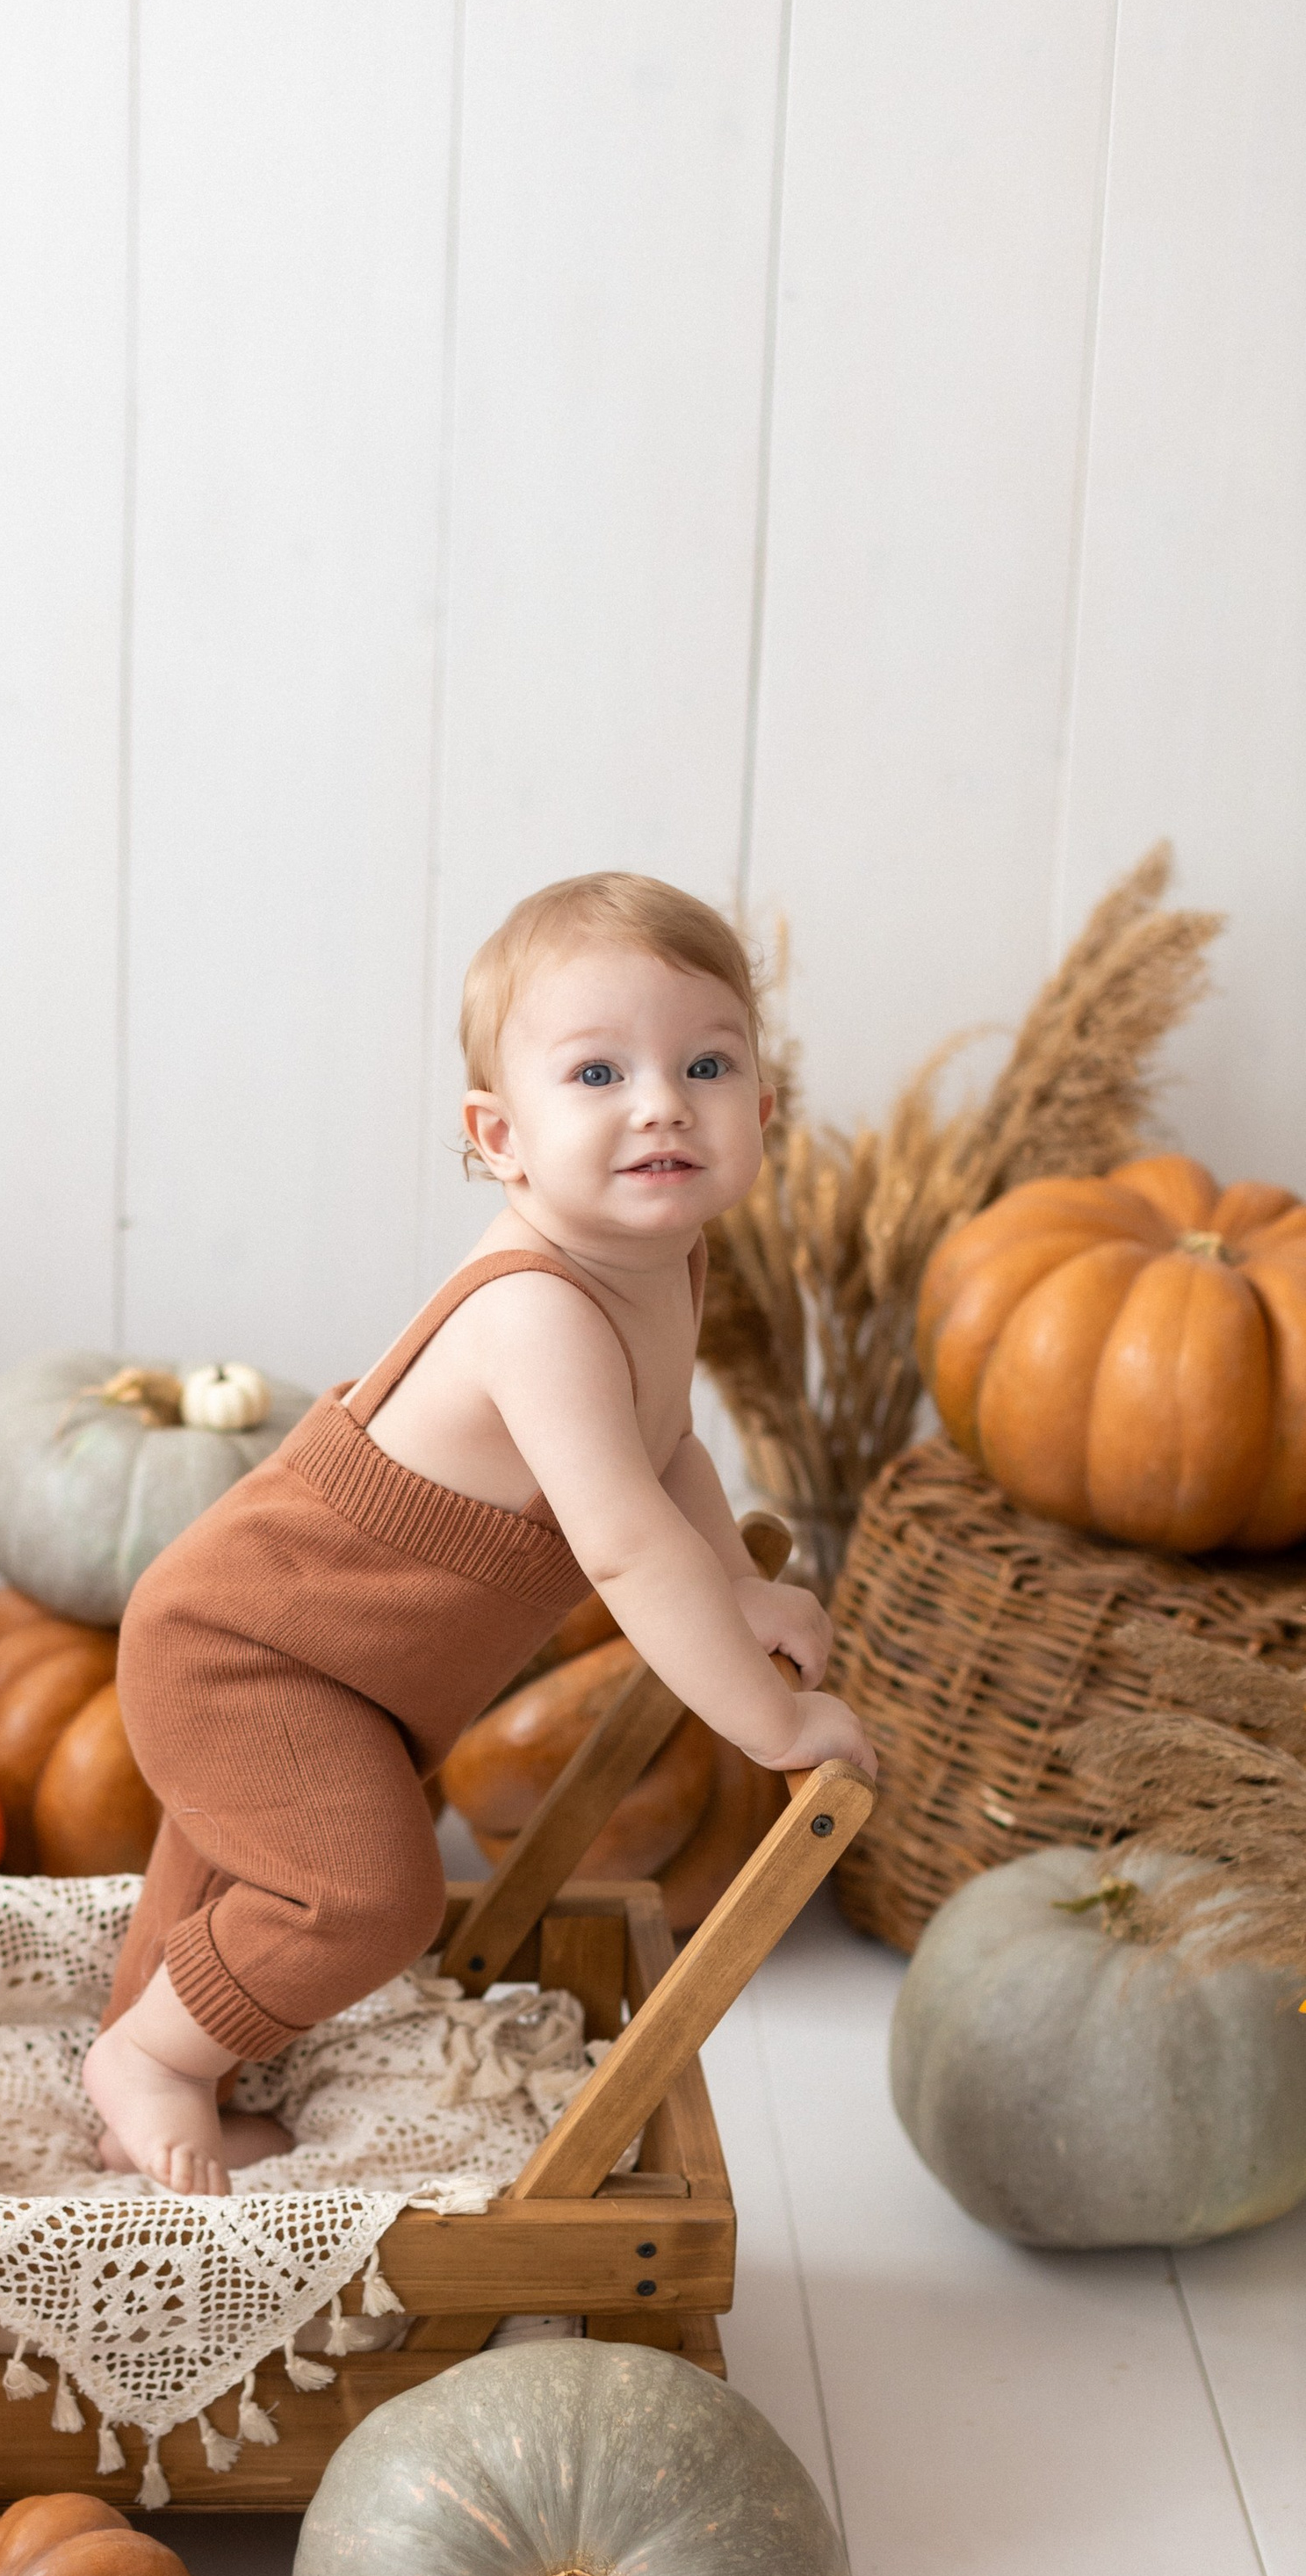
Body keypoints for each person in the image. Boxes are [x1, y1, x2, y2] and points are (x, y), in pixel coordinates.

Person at [83, 869, 878, 2195]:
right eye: (598, 1074)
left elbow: (665, 1450)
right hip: (244, 1653)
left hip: (341, 1670)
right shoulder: (538, 1314)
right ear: (500, 1136)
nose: (661, 1103)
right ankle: (155, 2060)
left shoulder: (663, 1264)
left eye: (705, 1065)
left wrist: (736, 1593)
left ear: (762, 1109)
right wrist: (771, 1722)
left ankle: (144, 2083)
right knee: (367, 1898)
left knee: (233, 1865)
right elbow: (624, 1549)